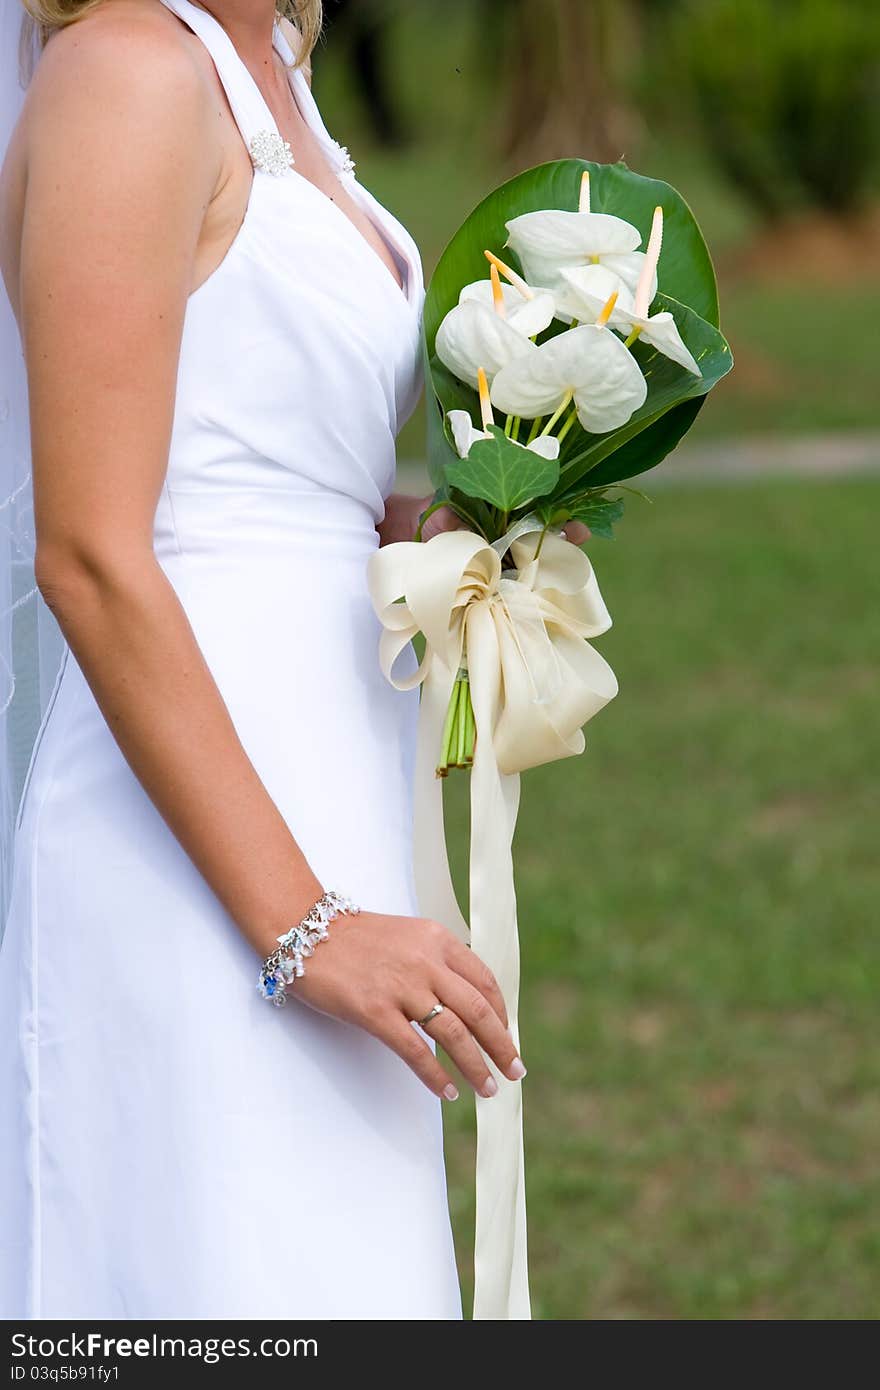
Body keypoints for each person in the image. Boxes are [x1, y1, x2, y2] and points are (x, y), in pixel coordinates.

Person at [0, 0, 587, 1319]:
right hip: (195, 833)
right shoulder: (127, 68)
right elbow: (91, 549)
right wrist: (302, 923)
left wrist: (445, 538)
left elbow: (259, 465)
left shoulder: (277, 72)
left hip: (337, 793)